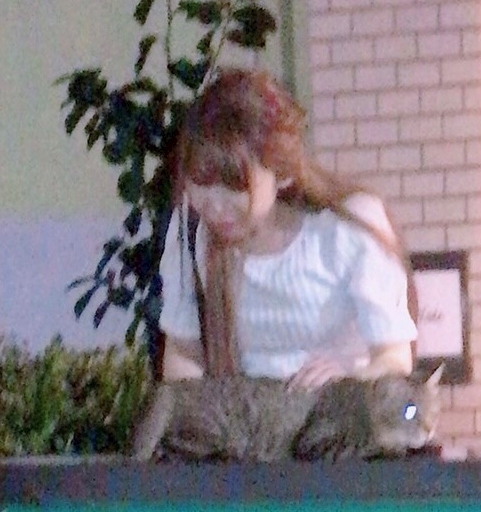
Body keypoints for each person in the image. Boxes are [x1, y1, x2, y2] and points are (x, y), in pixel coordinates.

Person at [158, 67, 417, 385]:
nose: (215, 206)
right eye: (200, 183)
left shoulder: (345, 227)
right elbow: (183, 353)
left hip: (339, 408)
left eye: (234, 186)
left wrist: (350, 377)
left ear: (282, 173)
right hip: (248, 411)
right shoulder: (191, 232)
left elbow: (394, 358)